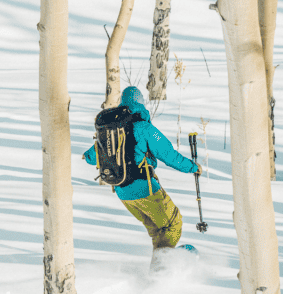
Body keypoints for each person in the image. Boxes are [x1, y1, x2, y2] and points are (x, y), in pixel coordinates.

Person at [83, 85, 200, 249]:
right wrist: (192, 167)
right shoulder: (143, 127)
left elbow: (90, 157)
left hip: (123, 192)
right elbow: (169, 155)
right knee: (173, 224)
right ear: (141, 104)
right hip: (145, 188)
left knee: (159, 232)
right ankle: (167, 268)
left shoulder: (112, 130)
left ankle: (160, 271)